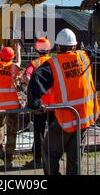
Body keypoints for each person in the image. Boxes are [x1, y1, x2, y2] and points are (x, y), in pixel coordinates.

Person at [27, 29, 100, 175]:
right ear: (74, 46)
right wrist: (85, 50)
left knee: (48, 152)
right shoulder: (84, 56)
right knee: (75, 160)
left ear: (58, 47)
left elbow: (35, 80)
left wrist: (34, 104)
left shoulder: (52, 64)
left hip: (65, 119)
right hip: (84, 117)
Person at [0, 43, 22, 169]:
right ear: (11, 58)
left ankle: (0, 147)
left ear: (1, 56)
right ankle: (8, 158)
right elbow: (18, 62)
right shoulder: (13, 68)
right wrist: (17, 51)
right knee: (12, 131)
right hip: (12, 104)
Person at [23, 37, 55, 169]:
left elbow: (26, 77)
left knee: (38, 131)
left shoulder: (34, 63)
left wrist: (33, 87)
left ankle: (38, 160)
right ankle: (52, 158)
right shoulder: (54, 62)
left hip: (39, 104)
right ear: (49, 49)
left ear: (37, 50)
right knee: (54, 131)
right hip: (54, 104)